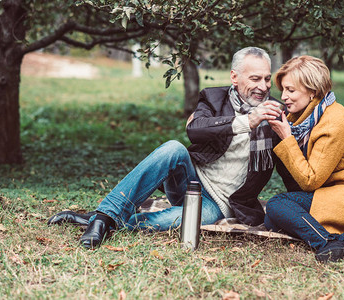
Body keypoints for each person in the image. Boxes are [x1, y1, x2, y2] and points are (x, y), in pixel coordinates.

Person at [47, 47, 283, 249]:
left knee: (165, 221)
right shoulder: (213, 98)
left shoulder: (277, 113)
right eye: (254, 79)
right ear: (234, 77)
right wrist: (247, 121)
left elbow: (292, 158)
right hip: (190, 181)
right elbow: (196, 130)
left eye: (266, 78)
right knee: (173, 147)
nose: (262, 86)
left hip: (220, 204)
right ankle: (104, 215)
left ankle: (105, 220)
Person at [265, 55, 344, 262]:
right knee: (271, 219)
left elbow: (310, 181)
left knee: (277, 204)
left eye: (291, 90)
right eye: (283, 90)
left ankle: (326, 243)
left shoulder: (333, 121)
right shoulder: (303, 116)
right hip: (337, 190)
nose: (284, 97)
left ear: (312, 91)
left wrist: (286, 138)